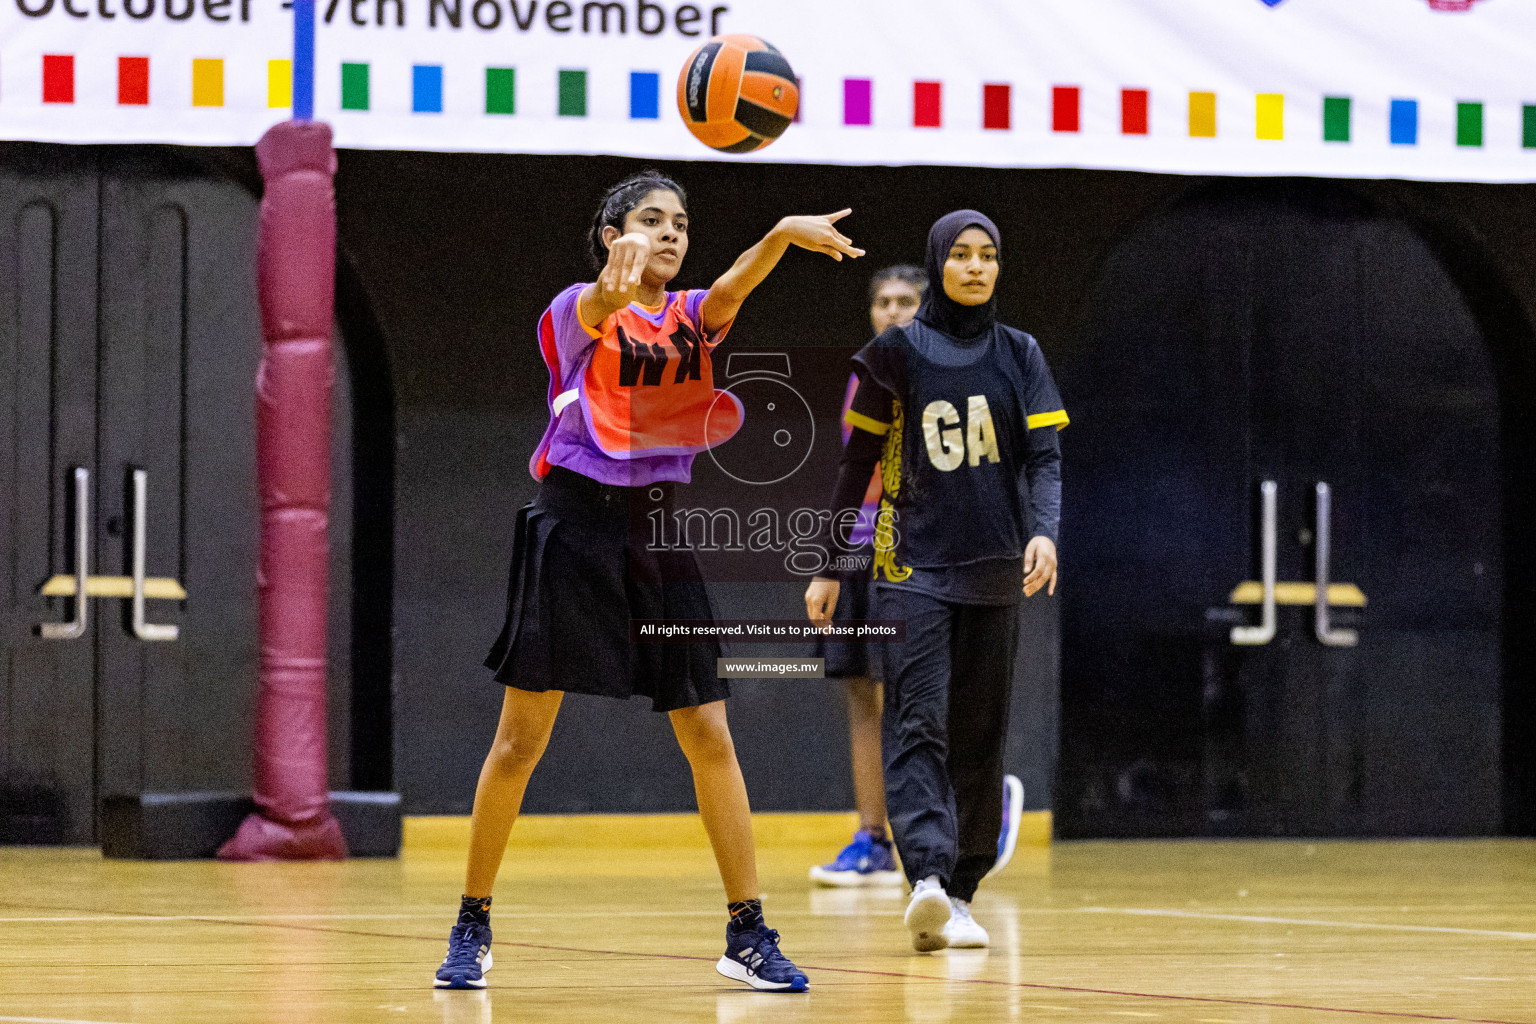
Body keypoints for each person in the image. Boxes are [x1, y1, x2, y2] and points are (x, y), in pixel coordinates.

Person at [436, 170, 863, 992]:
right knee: (521, 741)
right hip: (574, 526)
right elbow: (599, 306)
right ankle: (471, 922)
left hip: (659, 532)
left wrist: (779, 233)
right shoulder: (575, 310)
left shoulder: (695, 316)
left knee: (708, 731)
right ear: (611, 232)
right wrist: (611, 277)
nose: (670, 233)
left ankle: (747, 932)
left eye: (680, 223)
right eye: (650, 221)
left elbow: (734, 282)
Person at [804, 210, 1065, 952]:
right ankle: (923, 876)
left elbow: (1044, 458)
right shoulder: (895, 354)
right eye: (962, 255)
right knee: (915, 718)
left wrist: (1043, 530)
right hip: (908, 569)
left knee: (979, 735)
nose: (977, 267)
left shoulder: (1020, 354)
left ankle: (960, 892)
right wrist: (827, 562)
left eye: (988, 255)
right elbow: (857, 464)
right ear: (938, 262)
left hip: (993, 570)